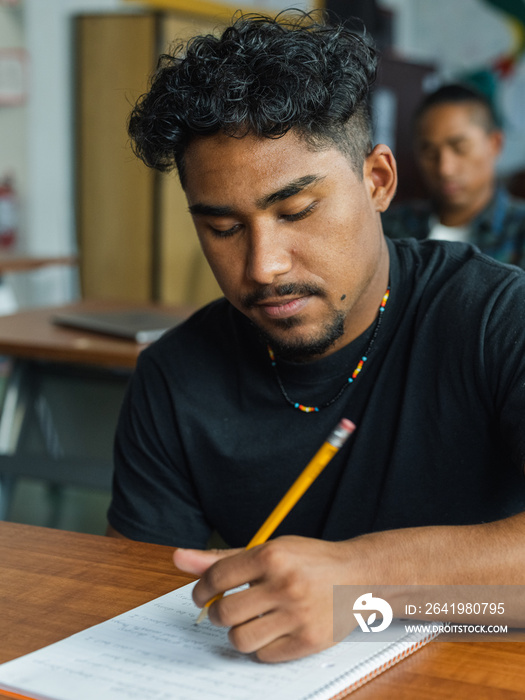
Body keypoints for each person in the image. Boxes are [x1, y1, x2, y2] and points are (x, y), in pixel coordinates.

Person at [106, 11, 525, 663]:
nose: (262, 266)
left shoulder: (496, 316)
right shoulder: (173, 379)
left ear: (377, 181)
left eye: (296, 211)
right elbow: (146, 615)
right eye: (221, 228)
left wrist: (364, 590)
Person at [382, 83, 525, 267]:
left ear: (495, 144)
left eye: (460, 149)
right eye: (430, 153)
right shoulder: (392, 226)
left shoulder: (519, 233)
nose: (444, 169)